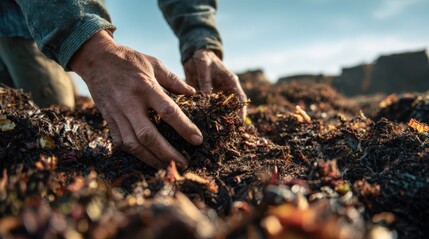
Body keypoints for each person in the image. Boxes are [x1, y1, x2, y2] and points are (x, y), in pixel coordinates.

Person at [0, 0, 247, 169]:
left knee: (59, 112)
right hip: (16, 20)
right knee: (37, 127)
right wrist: (93, 52)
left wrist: (200, 39)